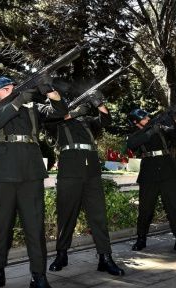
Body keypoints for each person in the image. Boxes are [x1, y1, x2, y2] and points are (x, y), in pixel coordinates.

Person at [0, 76, 67, 288]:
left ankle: (39, 277)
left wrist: (50, 91)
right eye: (5, 89)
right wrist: (17, 100)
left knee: (35, 228)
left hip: (30, 172)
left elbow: (60, 111)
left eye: (14, 88)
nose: (12, 91)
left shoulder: (32, 107)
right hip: (2, 172)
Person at [48, 97, 125, 275]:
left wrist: (99, 102)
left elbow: (106, 121)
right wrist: (74, 113)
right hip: (69, 168)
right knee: (66, 215)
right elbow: (50, 121)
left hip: (91, 169)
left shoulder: (88, 122)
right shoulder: (57, 120)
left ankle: (105, 257)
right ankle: (61, 254)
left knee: (98, 215)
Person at [126, 109, 176, 254]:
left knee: (174, 208)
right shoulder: (136, 134)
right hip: (149, 173)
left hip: (167, 171)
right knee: (145, 209)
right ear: (135, 122)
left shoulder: (162, 130)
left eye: (147, 116)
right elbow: (132, 145)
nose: (147, 118)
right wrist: (150, 132)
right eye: (144, 118)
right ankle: (141, 239)